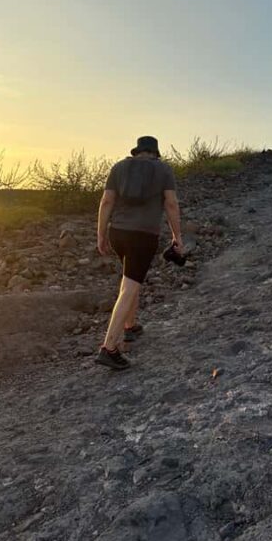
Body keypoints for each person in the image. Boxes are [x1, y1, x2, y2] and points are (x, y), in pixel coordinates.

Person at [95, 136, 184, 369]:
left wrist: (101, 234)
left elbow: (106, 202)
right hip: (143, 236)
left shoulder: (118, 167)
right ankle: (109, 347)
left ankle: (130, 326)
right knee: (130, 286)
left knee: (130, 277)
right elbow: (171, 204)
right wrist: (177, 236)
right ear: (155, 153)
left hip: (118, 234)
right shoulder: (163, 170)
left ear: (137, 151)